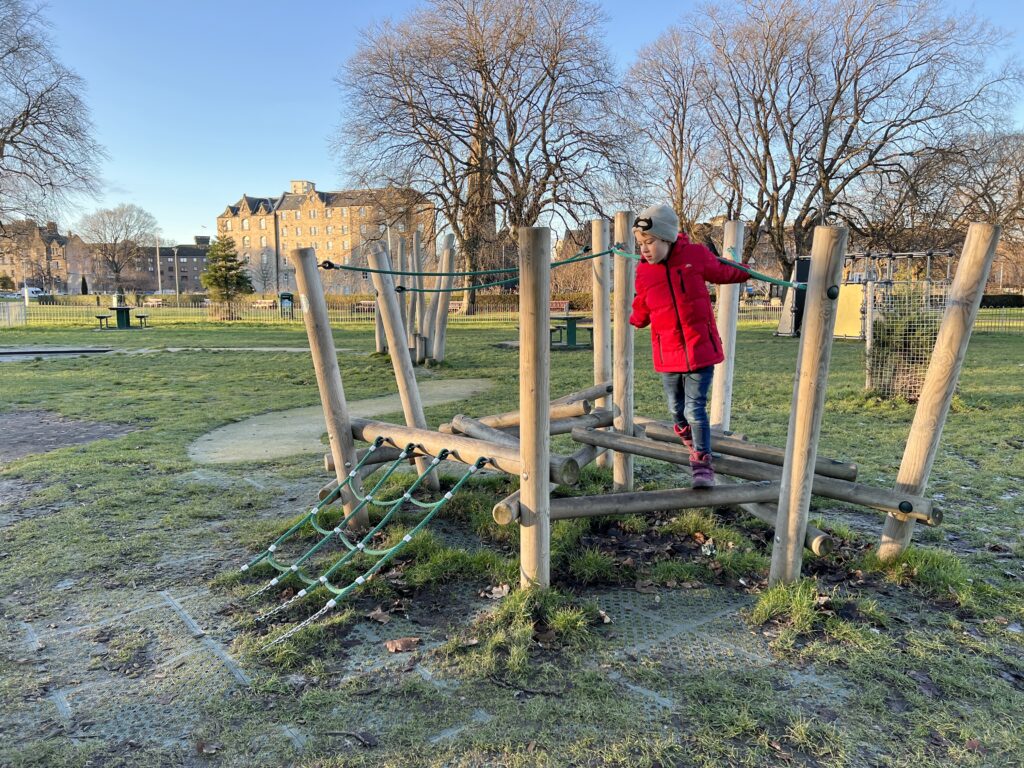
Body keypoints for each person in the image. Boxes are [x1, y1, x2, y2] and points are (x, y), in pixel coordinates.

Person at [628, 204, 750, 488]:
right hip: (667, 353)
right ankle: (683, 431)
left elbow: (721, 270)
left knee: (695, 409)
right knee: (676, 408)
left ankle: (702, 460)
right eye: (640, 244)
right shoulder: (644, 272)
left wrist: (746, 272)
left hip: (699, 351)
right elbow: (642, 302)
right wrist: (636, 318)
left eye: (650, 242)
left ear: (667, 238)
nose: (644, 249)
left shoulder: (694, 257)